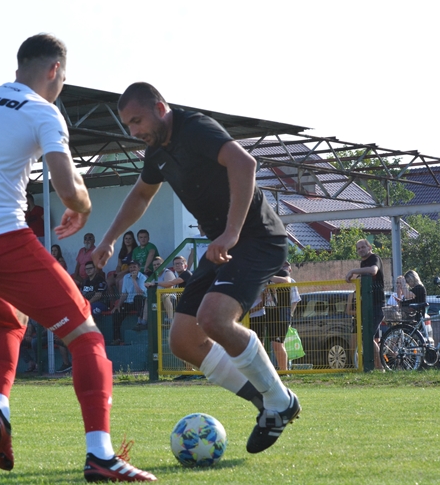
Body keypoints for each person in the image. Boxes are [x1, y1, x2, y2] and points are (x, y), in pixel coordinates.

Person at [0, 34, 155, 481]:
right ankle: (99, 454)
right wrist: (83, 207)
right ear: (55, 71)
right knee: (86, 338)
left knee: (9, 322)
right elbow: (64, 185)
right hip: (1, 239)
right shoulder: (43, 111)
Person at [92, 82, 299, 455]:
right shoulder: (156, 152)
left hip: (256, 237)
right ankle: (267, 402)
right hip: (223, 244)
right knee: (183, 340)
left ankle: (279, 401)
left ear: (160, 107)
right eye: (128, 126)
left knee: (215, 319)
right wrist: (109, 239)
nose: (134, 131)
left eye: (137, 120)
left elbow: (244, 162)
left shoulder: (195, 127)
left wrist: (232, 232)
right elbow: (141, 194)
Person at [345, 239, 386, 370]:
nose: (361, 250)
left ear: (369, 247)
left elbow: (374, 271)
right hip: (367, 304)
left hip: (377, 304)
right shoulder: (363, 263)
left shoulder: (375, 258)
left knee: (368, 336)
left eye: (363, 247)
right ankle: (376, 366)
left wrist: (353, 271)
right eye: (358, 248)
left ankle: (380, 367)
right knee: (369, 336)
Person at [109, 261, 147, 344]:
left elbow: (140, 293)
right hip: (129, 302)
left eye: (134, 267)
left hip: (139, 302)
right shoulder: (126, 277)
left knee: (138, 298)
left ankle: (140, 322)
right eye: (130, 267)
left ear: (139, 268)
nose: (132, 269)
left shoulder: (143, 278)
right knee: (116, 313)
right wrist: (118, 305)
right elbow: (124, 294)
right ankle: (116, 338)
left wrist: (134, 280)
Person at [134, 256, 176, 330]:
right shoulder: (154, 275)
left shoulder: (168, 272)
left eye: (158, 264)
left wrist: (155, 284)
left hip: (170, 298)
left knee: (165, 295)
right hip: (158, 297)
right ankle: (144, 322)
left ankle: (170, 320)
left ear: (163, 264)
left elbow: (169, 286)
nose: (156, 266)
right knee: (147, 299)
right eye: (154, 265)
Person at [106, 231, 137, 297]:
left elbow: (132, 267)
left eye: (129, 238)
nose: (127, 240)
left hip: (129, 272)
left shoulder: (135, 251)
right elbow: (119, 265)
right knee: (108, 281)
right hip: (121, 272)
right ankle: (113, 301)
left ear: (133, 240)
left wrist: (120, 274)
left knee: (118, 280)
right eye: (126, 238)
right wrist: (118, 271)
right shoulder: (122, 251)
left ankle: (121, 301)